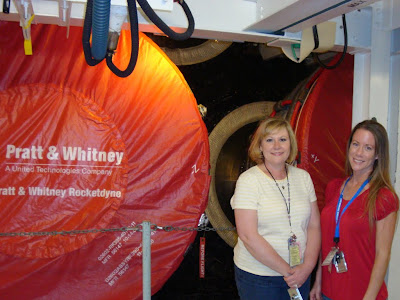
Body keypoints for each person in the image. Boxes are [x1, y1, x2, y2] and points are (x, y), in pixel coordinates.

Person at [231, 117, 321, 300]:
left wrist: (307, 267)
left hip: (300, 275)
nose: (277, 145)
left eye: (283, 139)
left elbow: (314, 225)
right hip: (260, 278)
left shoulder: (303, 178)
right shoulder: (249, 181)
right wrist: (288, 271)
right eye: (270, 140)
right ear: (260, 146)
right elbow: (248, 235)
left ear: (290, 144)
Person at [310, 119, 399, 300]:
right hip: (327, 291)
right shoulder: (334, 187)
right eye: (356, 144)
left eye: (368, 148)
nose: (359, 153)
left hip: (361, 293)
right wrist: (318, 281)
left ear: (377, 155)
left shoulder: (384, 197)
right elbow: (326, 242)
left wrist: (369, 297)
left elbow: (383, 254)